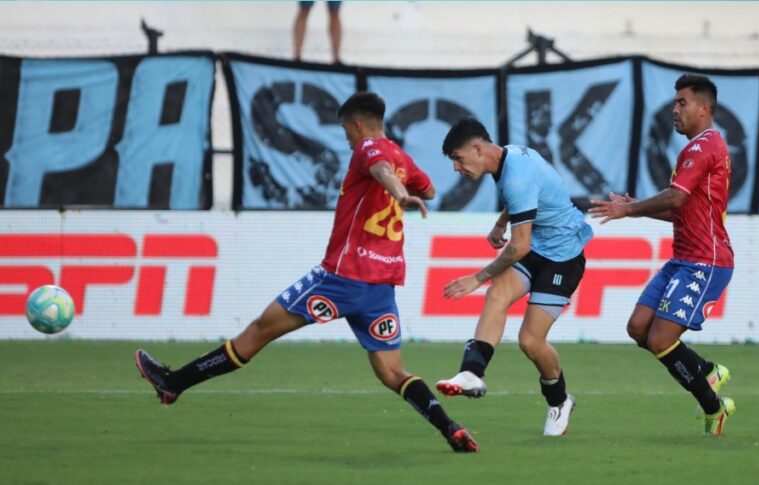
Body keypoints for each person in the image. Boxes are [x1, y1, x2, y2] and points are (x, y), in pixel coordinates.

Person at [135, 92, 478, 453]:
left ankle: (173, 383)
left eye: (346, 130)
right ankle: (450, 427)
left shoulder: (368, 148)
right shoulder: (401, 156)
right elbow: (430, 188)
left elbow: (381, 170)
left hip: (341, 277)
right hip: (379, 287)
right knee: (393, 373)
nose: (347, 138)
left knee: (257, 332)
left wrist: (397, 192)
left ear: (357, 125)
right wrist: (406, 188)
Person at [588, 74, 735, 437]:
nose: (675, 110)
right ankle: (707, 371)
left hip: (705, 262)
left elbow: (676, 197)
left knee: (659, 339)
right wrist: (636, 207)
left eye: (682, 103)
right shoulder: (700, 147)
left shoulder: (703, 147)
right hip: (683, 259)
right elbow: (681, 208)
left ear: (704, 108)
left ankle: (714, 407)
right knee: (639, 328)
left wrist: (628, 209)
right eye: (674, 103)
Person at [435, 118, 593, 436]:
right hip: (537, 243)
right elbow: (526, 196)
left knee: (530, 341)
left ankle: (560, 401)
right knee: (498, 294)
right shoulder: (508, 156)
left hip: (563, 257)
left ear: (477, 149)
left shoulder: (515, 176)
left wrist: (477, 277)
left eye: (458, 158)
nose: (456, 168)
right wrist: (500, 223)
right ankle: (472, 373)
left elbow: (519, 246)